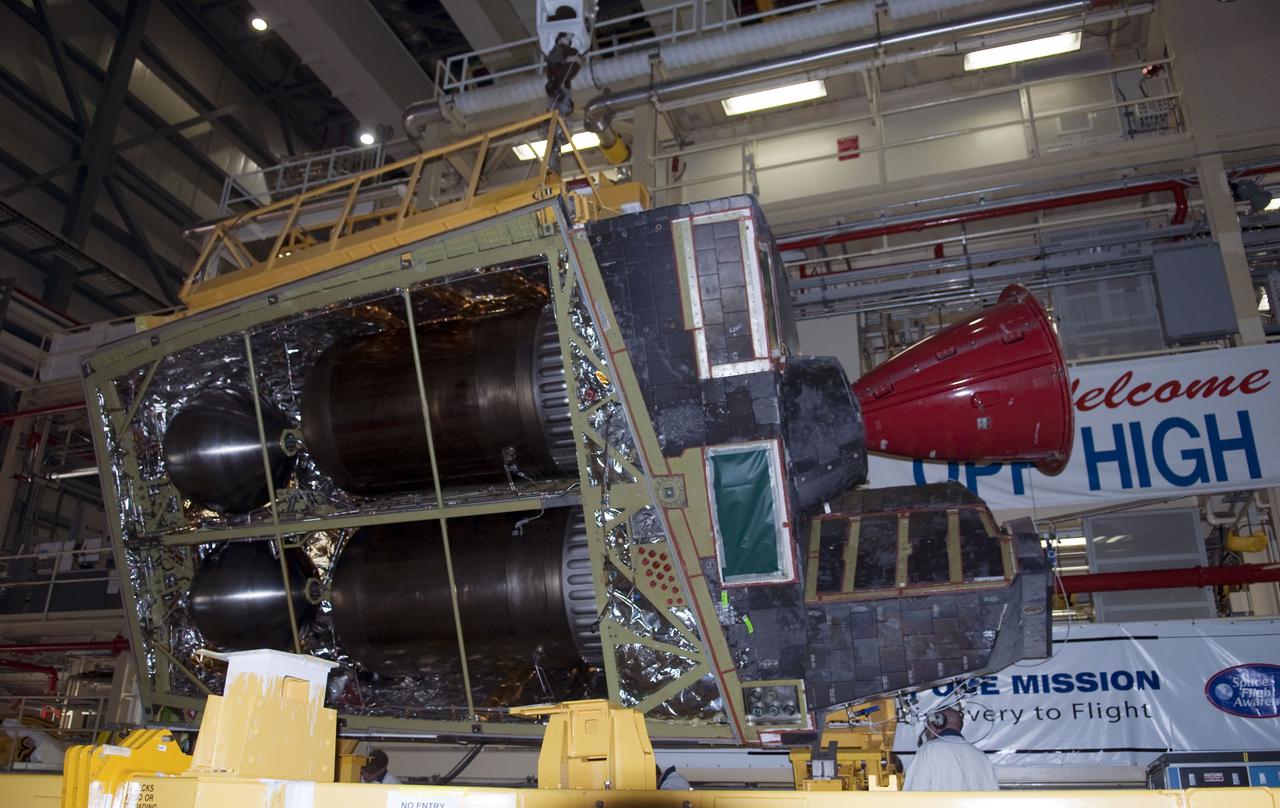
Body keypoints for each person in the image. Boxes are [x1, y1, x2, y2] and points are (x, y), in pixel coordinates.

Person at [902, 706, 998, 791]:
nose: (927, 730)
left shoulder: (930, 750)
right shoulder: (981, 756)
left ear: (939, 722)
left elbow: (913, 793)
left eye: (930, 724)